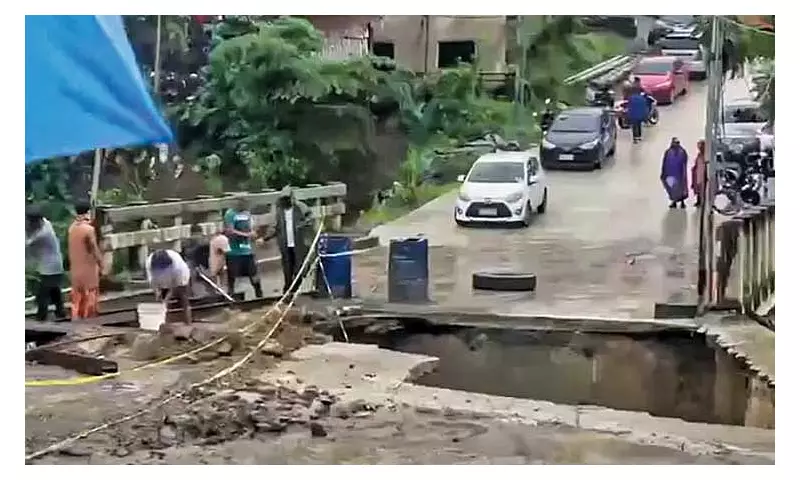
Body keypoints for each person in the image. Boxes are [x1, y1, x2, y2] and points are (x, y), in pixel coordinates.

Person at [268, 187, 314, 294]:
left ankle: (295, 288)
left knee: (300, 268)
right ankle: (288, 289)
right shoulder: (279, 210)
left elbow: (310, 218)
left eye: (287, 199)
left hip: (299, 243)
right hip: (285, 244)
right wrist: (266, 238)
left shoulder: (300, 207)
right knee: (287, 268)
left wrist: (302, 225)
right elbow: (275, 227)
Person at [26, 205, 66, 321]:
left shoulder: (44, 233)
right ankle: (61, 313)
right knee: (54, 290)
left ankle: (41, 318)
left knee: (43, 294)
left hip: (51, 266)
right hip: (50, 264)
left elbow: (26, 243)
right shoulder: (45, 222)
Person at [67, 203, 103, 320]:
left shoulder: (72, 228)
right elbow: (94, 249)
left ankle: (76, 318)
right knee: (91, 294)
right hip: (88, 267)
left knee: (77, 297)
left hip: (75, 269)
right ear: (88, 212)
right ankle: (89, 320)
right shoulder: (88, 230)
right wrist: (101, 263)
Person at [223, 195, 263, 298]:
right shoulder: (230, 214)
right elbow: (230, 231)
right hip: (234, 251)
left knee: (254, 275)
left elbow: (252, 228)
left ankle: (259, 295)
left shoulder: (247, 214)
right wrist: (246, 235)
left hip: (247, 250)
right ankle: (231, 295)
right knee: (232, 276)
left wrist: (254, 234)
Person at [146, 249, 192, 324]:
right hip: (162, 280)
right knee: (162, 303)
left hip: (180, 280)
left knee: (184, 299)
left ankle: (188, 323)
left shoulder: (178, 266)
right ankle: (163, 323)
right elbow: (152, 280)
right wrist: (157, 292)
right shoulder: (149, 262)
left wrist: (166, 299)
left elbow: (174, 286)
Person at [660, 137, 690, 209]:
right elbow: (664, 162)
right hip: (670, 173)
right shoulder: (668, 152)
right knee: (672, 188)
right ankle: (674, 201)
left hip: (679, 174)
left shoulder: (682, 152)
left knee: (681, 188)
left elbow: (685, 161)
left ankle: (682, 201)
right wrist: (663, 172)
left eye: (677, 143)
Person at [691, 139, 707, 207]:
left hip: (703, 173)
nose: (699, 148)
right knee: (698, 187)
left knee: (703, 188)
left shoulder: (706, 155)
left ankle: (703, 201)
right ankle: (699, 201)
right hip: (698, 173)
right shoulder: (699, 155)